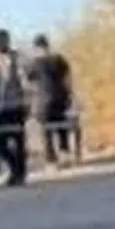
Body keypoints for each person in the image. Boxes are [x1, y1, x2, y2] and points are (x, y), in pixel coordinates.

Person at [0, 29, 29, 186]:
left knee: (19, 141)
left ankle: (19, 174)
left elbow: (23, 80)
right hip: (1, 107)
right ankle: (15, 168)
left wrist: (26, 101)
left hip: (15, 105)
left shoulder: (15, 58)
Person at [27, 34, 74, 167]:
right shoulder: (58, 59)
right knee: (61, 127)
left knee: (46, 131)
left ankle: (51, 159)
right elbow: (67, 78)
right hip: (60, 98)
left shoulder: (34, 63)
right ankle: (64, 154)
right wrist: (69, 94)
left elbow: (29, 82)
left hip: (43, 101)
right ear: (47, 45)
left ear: (37, 48)